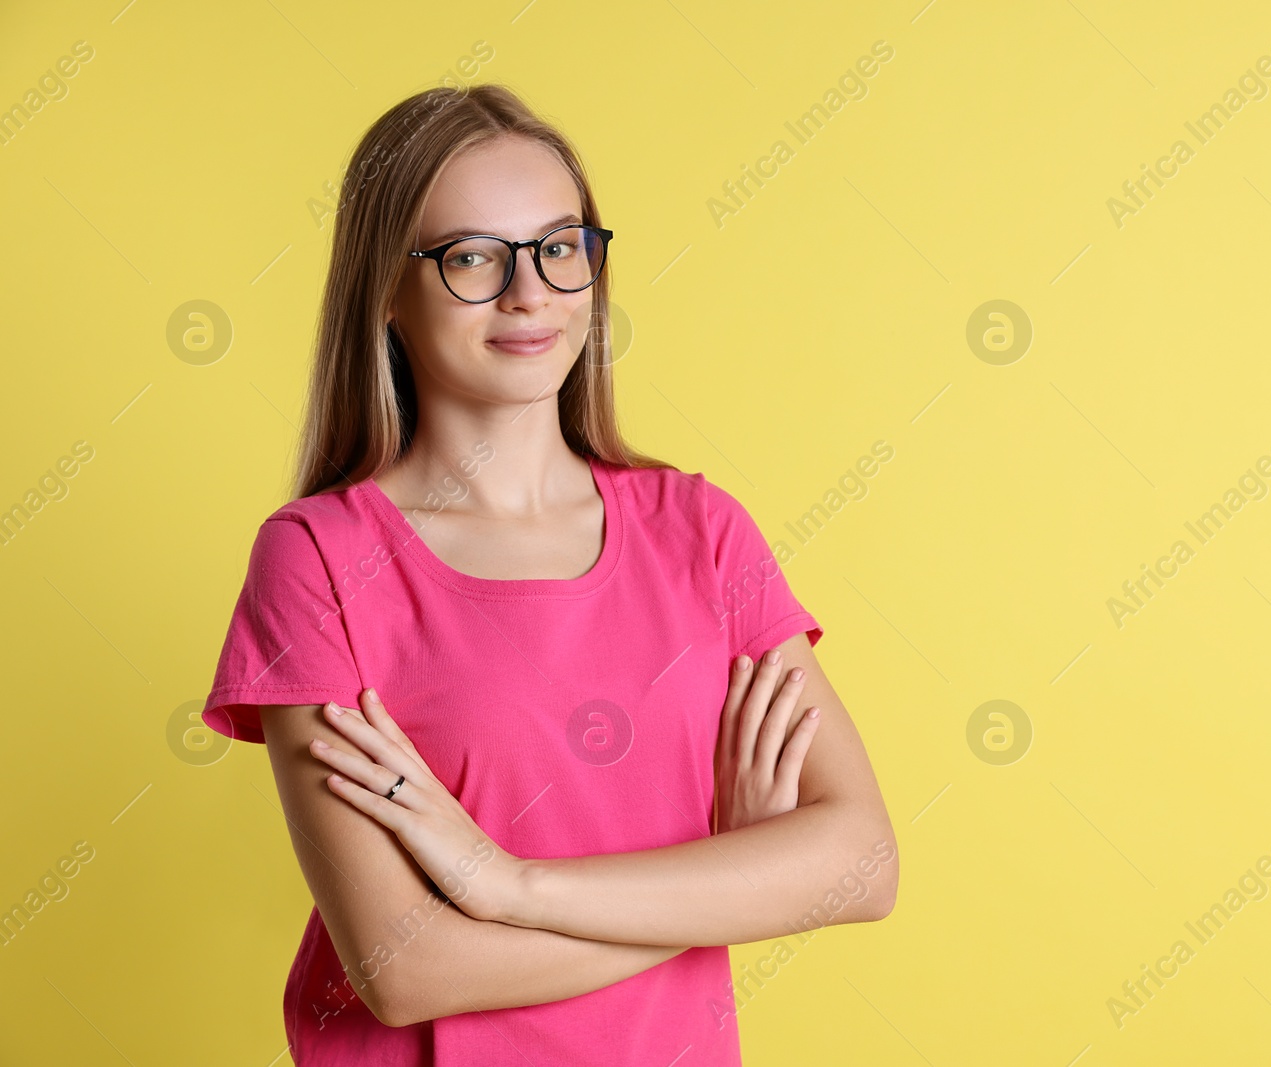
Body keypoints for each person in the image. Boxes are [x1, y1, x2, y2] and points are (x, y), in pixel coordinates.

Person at [200, 83, 897, 1065]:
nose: (530, 293)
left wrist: (505, 883)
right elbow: (407, 969)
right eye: (473, 257)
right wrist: (728, 880)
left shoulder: (701, 529)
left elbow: (860, 865)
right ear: (386, 294)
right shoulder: (318, 560)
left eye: (559, 246)